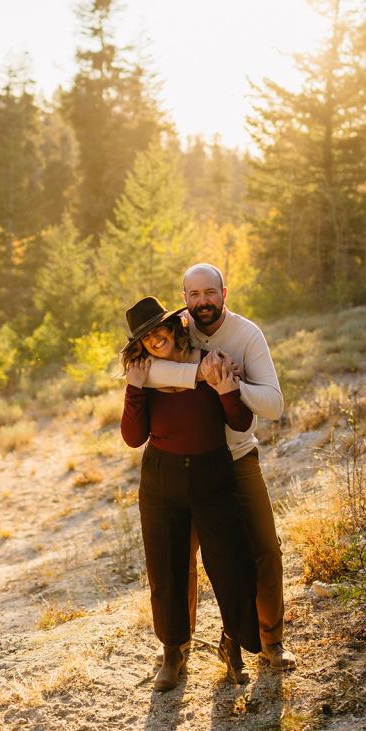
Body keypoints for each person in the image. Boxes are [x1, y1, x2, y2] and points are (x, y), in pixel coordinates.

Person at [141, 263, 296, 671]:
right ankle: (180, 645)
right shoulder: (176, 331)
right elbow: (143, 370)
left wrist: (228, 382)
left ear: (224, 294)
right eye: (194, 296)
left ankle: (270, 640)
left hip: (237, 457)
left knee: (264, 549)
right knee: (180, 557)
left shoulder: (247, 335)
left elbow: (274, 405)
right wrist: (199, 372)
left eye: (210, 293)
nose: (202, 302)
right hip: (185, 465)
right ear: (184, 300)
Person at [120, 295, 261, 692]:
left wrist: (227, 389)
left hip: (212, 473)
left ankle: (232, 645)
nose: (154, 340)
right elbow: (133, 437)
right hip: (161, 479)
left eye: (158, 330)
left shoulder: (210, 359)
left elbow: (240, 419)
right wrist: (133, 389)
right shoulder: (144, 374)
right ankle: (173, 652)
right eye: (145, 338)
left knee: (231, 564)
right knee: (166, 570)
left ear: (175, 326)